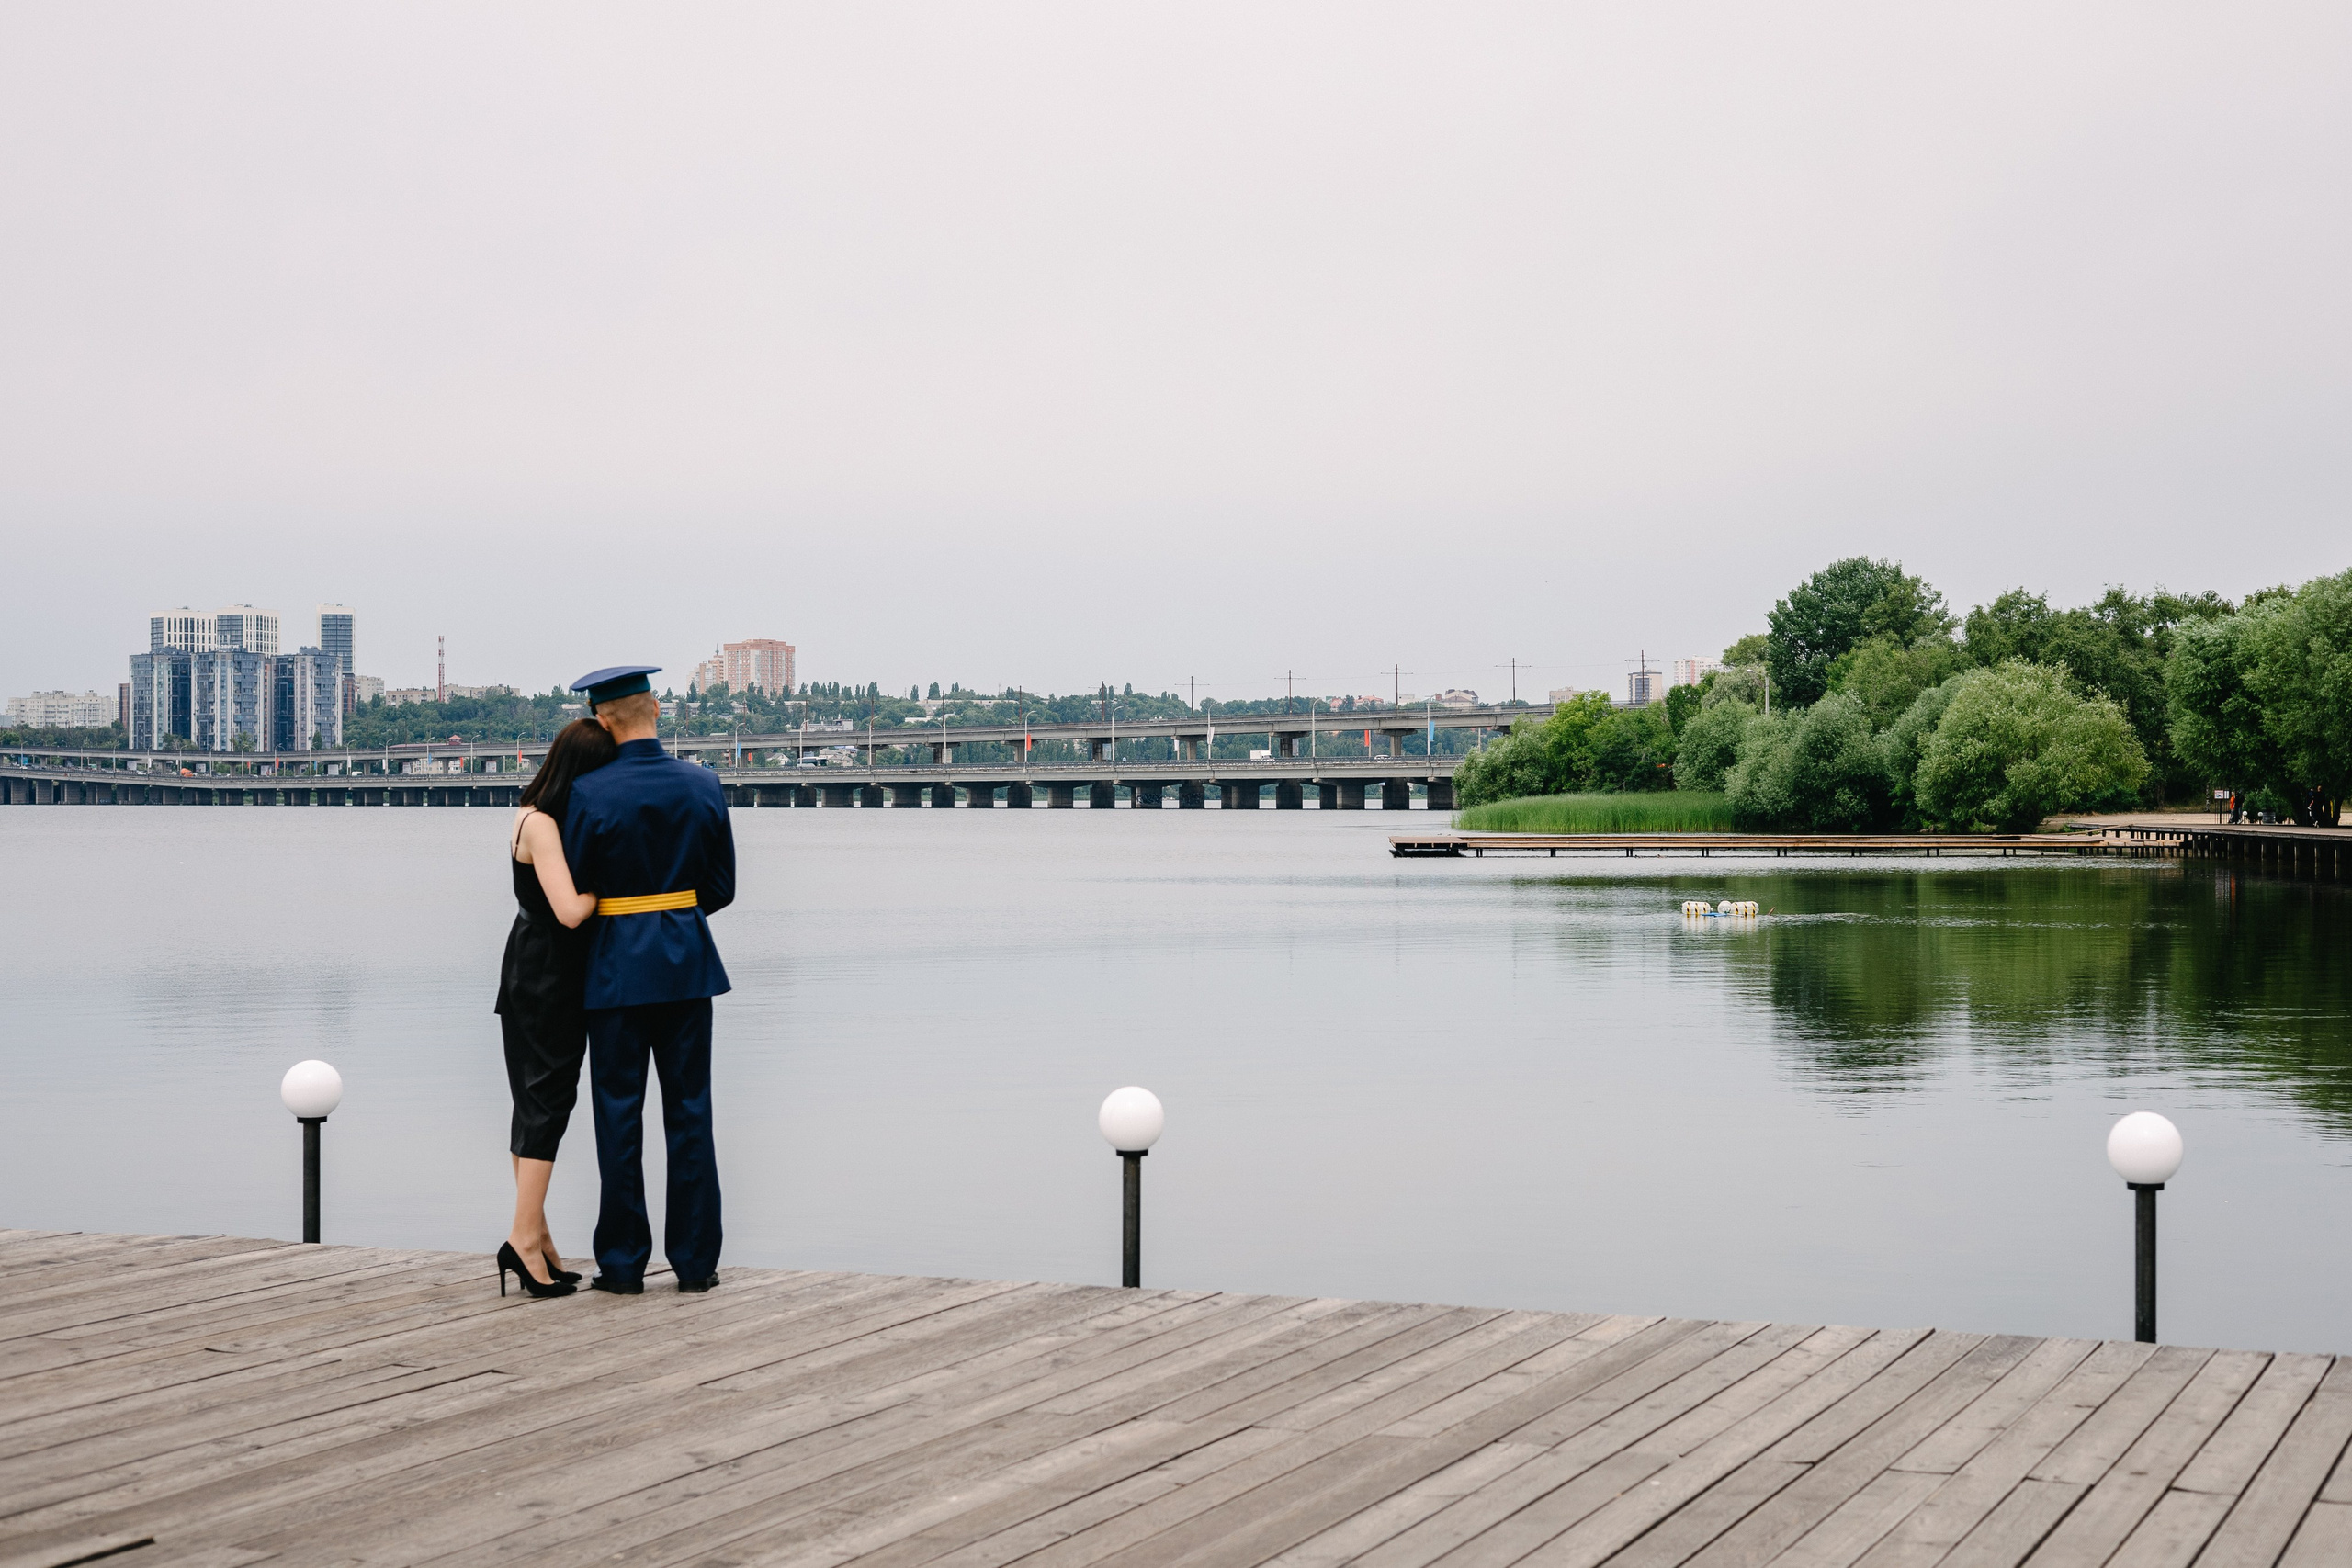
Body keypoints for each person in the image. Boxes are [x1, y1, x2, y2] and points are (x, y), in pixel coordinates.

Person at [562, 664, 736, 1294]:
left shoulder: (588, 792)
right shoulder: (703, 783)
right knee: (691, 1112)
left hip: (614, 971)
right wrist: (672, 919)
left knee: (619, 1115)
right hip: (688, 964)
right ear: (656, 708)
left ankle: (623, 1262)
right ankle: (695, 1263)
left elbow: (577, 889)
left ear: (603, 721)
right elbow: (722, 887)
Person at [494, 717, 618, 1299]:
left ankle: (538, 1237)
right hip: (550, 974)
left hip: (526, 965)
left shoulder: (526, 812)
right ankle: (522, 1241)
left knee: (530, 1101)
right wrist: (612, 891)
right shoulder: (543, 825)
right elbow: (570, 911)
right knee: (548, 1102)